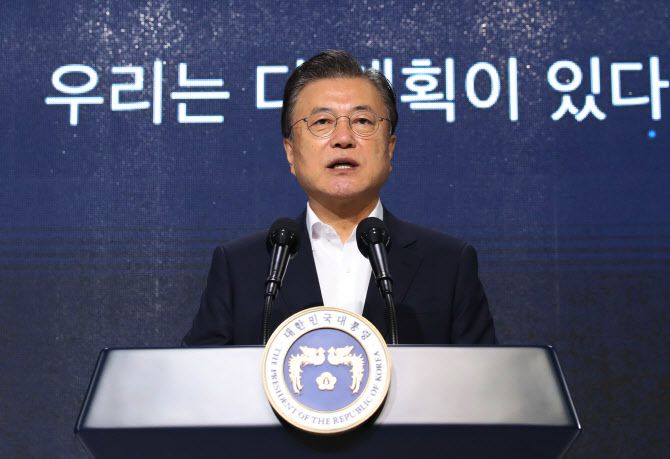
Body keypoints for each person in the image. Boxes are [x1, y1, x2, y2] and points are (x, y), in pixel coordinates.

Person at [183, 50, 496, 346]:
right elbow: (197, 376)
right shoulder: (241, 267)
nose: (344, 138)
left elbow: (486, 379)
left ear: (389, 148)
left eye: (362, 121)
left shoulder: (448, 265)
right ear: (291, 152)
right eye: (322, 122)